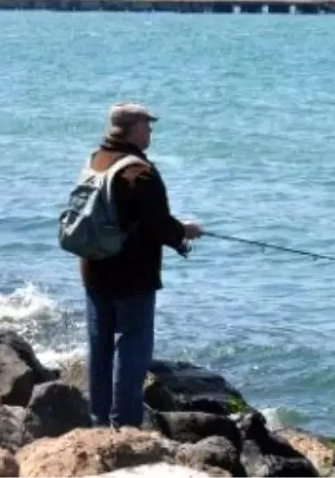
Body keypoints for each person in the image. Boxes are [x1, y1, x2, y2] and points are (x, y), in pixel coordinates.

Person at [79, 102, 202, 428]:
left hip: (94, 269)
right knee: (132, 349)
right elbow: (158, 225)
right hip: (131, 276)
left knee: (100, 347)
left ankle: (99, 420)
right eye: (147, 126)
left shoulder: (96, 161)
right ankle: (126, 425)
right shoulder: (140, 173)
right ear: (133, 129)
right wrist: (185, 233)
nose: (150, 132)